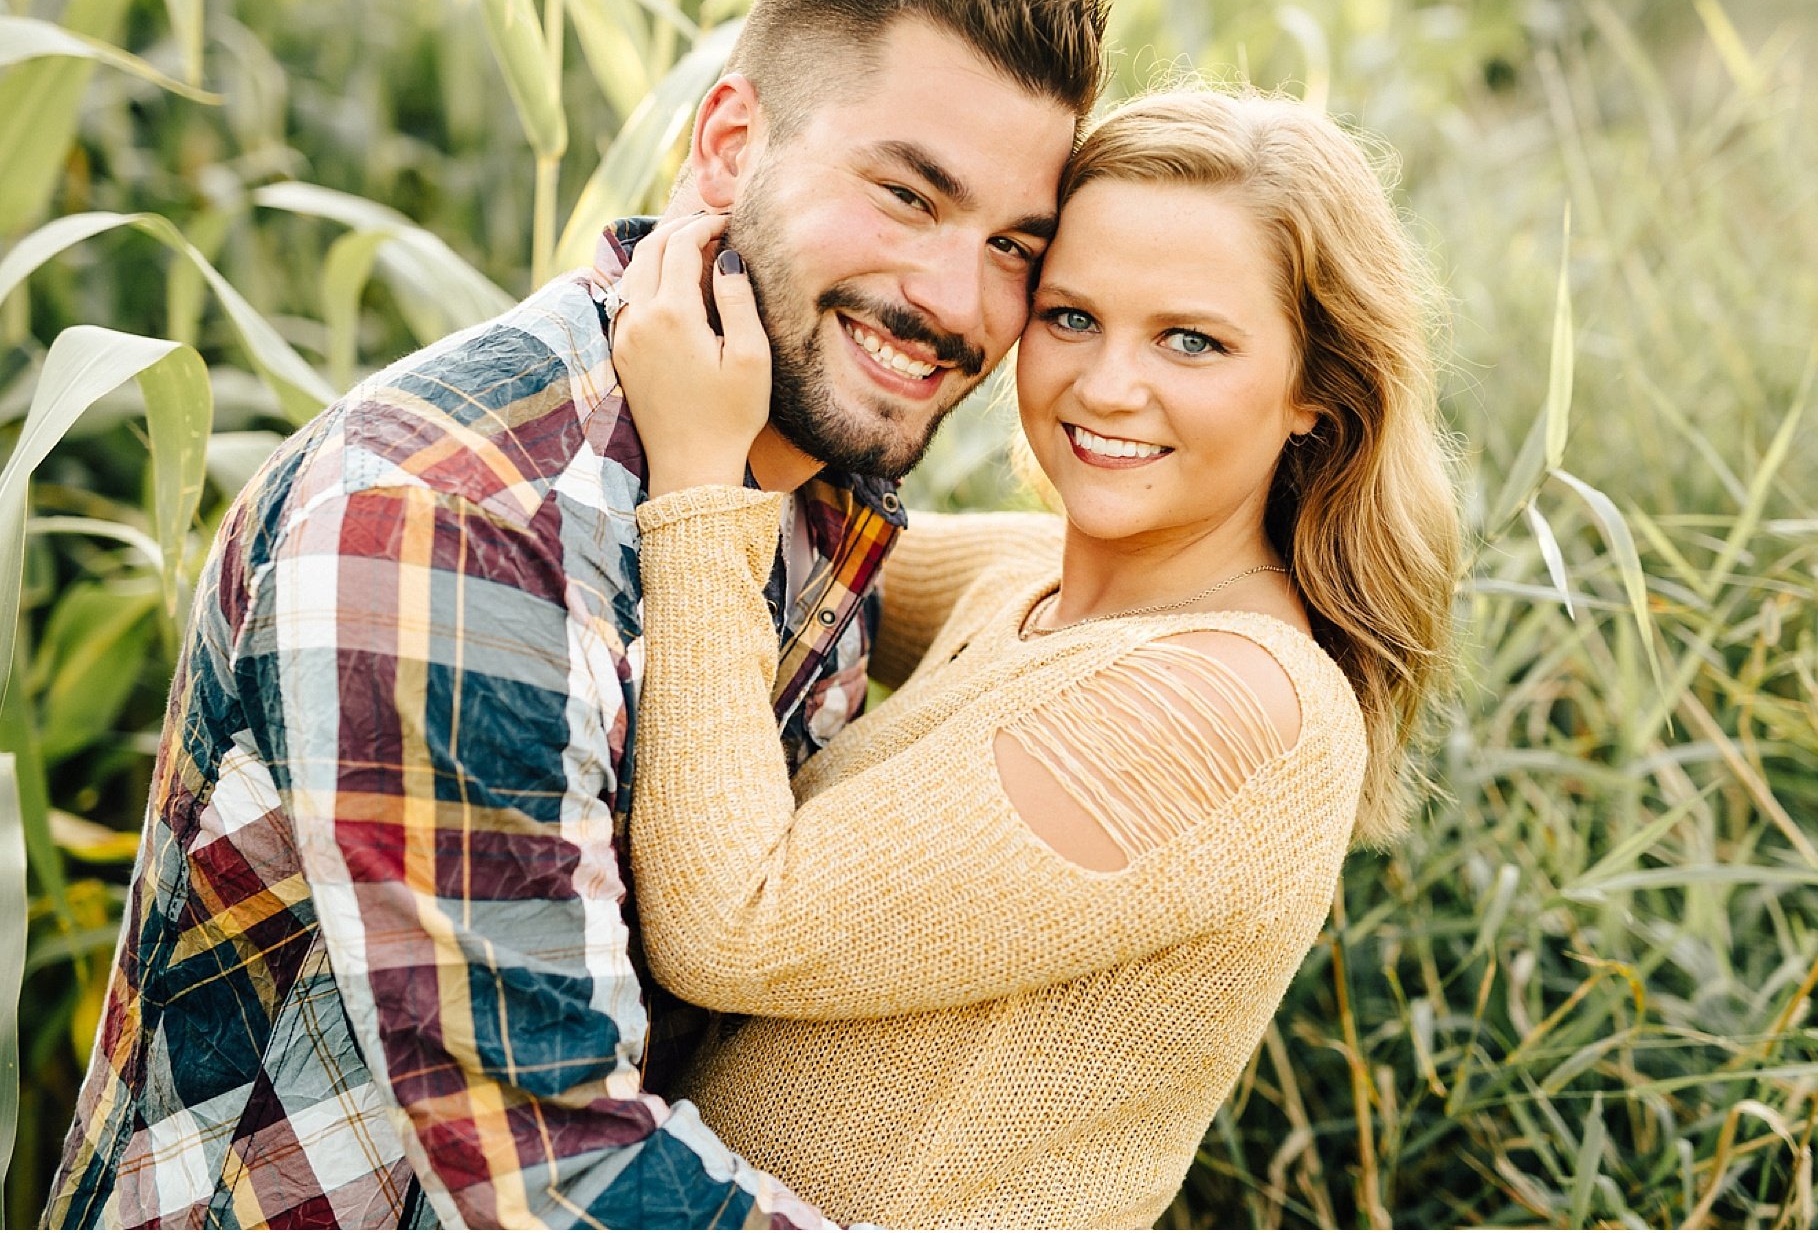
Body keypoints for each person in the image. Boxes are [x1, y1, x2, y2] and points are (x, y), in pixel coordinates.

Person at [44, 0, 1107, 1230]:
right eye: (907, 193)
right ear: (731, 145)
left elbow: (1051, 587)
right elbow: (563, 1175)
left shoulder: (796, 486)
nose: (959, 300)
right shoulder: (448, 527)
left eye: (1016, 244)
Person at [607, 89, 1464, 1227]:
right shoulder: (1039, 585)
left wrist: (699, 472)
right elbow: (813, 529)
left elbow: (732, 924)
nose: (1105, 386)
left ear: (1317, 390)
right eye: (1069, 317)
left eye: (1191, 340)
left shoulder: (1232, 701)